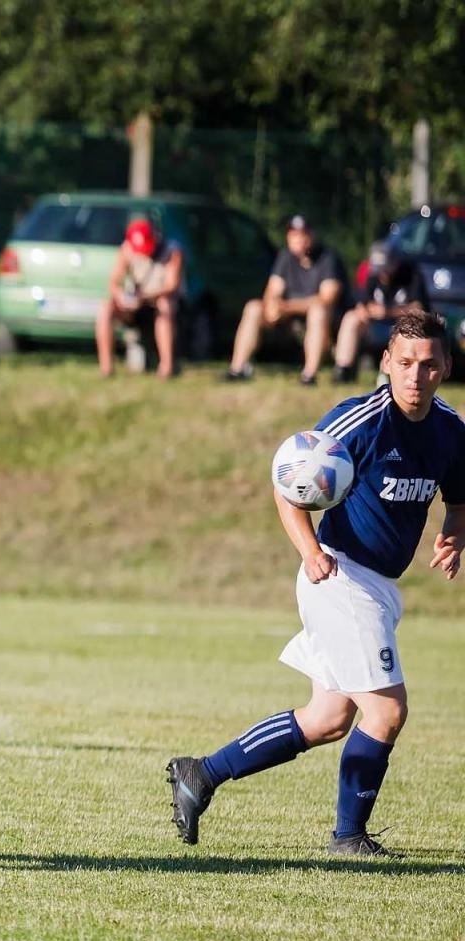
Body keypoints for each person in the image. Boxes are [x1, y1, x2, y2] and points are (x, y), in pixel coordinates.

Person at [168, 308, 464, 858]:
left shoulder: (450, 430)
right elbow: (289, 481)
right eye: (404, 363)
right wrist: (309, 552)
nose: (415, 377)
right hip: (340, 574)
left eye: (427, 365)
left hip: (377, 588)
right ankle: (348, 837)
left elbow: (460, 492)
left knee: (327, 718)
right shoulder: (362, 421)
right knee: (386, 710)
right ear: (386, 362)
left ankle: (201, 774)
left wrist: (455, 530)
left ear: (445, 365)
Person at [227, 215, 346, 385]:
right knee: (253, 307)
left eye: (302, 234)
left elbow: (327, 298)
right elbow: (273, 289)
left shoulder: (328, 258)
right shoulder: (285, 257)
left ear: (312, 235)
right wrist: (271, 306)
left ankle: (309, 375)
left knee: (318, 312)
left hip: (322, 320)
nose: (298, 240)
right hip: (287, 317)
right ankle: (237, 369)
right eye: (293, 235)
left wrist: (286, 307)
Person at [94, 219, 183, 378]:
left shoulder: (172, 251)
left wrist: (145, 297)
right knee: (105, 308)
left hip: (159, 303)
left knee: (165, 306)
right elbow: (114, 282)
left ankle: (166, 368)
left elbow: (172, 285)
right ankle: (106, 368)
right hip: (135, 305)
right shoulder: (126, 250)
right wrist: (121, 296)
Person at [330, 241, 427, 385]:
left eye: (386, 269)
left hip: (401, 327)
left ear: (396, 262)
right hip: (374, 326)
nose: (383, 274)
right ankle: (343, 369)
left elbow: (419, 309)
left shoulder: (411, 275)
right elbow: (361, 302)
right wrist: (365, 310)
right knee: (351, 318)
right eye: (379, 269)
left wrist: (388, 312)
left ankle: (393, 373)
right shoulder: (371, 275)